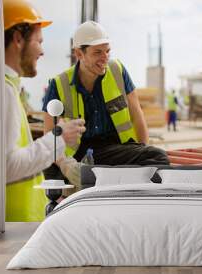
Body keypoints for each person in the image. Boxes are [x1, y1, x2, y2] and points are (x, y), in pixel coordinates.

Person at [42, 21, 169, 188]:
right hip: (80, 155)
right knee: (50, 166)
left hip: (116, 149)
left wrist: (142, 152)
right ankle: (100, 176)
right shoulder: (58, 84)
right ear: (79, 53)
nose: (105, 57)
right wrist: (67, 165)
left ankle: (97, 178)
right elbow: (49, 136)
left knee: (157, 157)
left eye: (108, 51)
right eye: (98, 52)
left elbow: (137, 115)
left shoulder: (118, 71)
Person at [3, 0, 86, 221]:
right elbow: (6, 166)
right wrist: (58, 139)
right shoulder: (2, 91)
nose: (42, 50)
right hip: (13, 224)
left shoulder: (6, 86)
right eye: (39, 41)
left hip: (18, 220)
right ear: (18, 39)